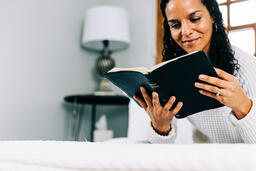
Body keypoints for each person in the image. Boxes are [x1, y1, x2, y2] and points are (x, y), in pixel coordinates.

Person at [134, 0, 256, 143]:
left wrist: (243, 106)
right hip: (202, 161)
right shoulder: (173, 72)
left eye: (195, 19)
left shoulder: (247, 66)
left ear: (213, 16)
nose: (185, 31)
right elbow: (161, 153)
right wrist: (160, 127)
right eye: (175, 25)